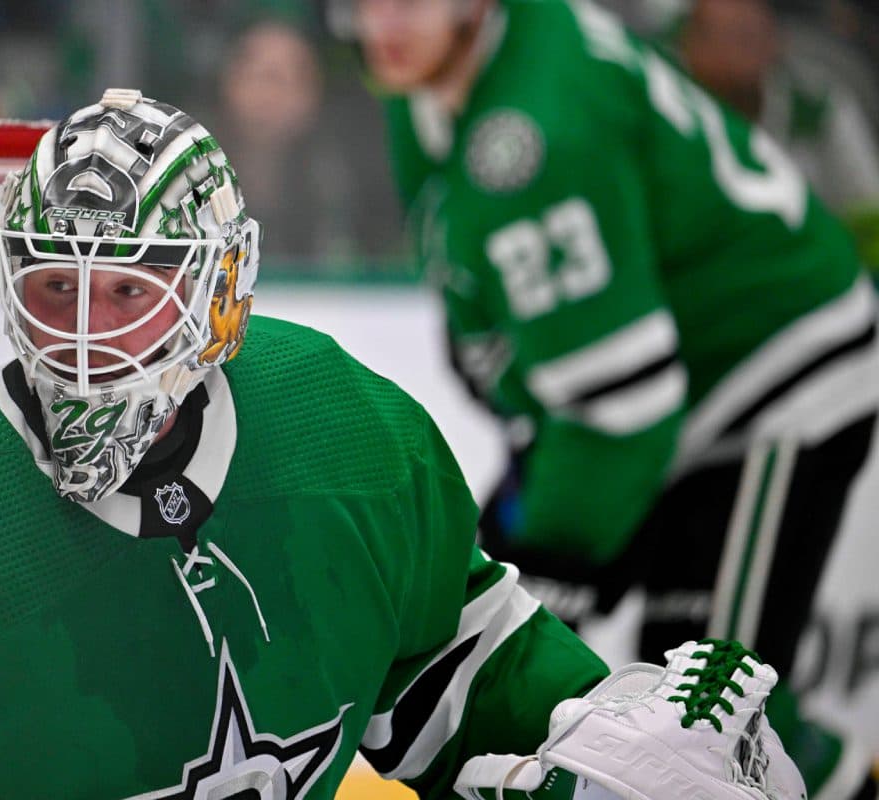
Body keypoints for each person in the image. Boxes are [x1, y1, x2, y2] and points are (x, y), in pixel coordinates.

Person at [0, 89, 805, 800]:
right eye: (52, 285)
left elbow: (461, 677)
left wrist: (595, 751)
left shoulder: (342, 425)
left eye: (126, 290)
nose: (80, 337)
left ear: (222, 292)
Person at [330, 1, 879, 798]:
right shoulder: (449, 74)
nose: (383, 21)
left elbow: (621, 410)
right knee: (696, 696)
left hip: (777, 378)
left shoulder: (534, 134)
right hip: (681, 389)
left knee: (710, 711)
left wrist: (553, 556)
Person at [676, 0, 879, 271]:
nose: (741, 52)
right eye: (726, 36)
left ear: (776, 39)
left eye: (749, 36)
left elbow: (867, 206)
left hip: (822, 270)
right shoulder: (673, 117)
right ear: (689, 47)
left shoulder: (817, 107)